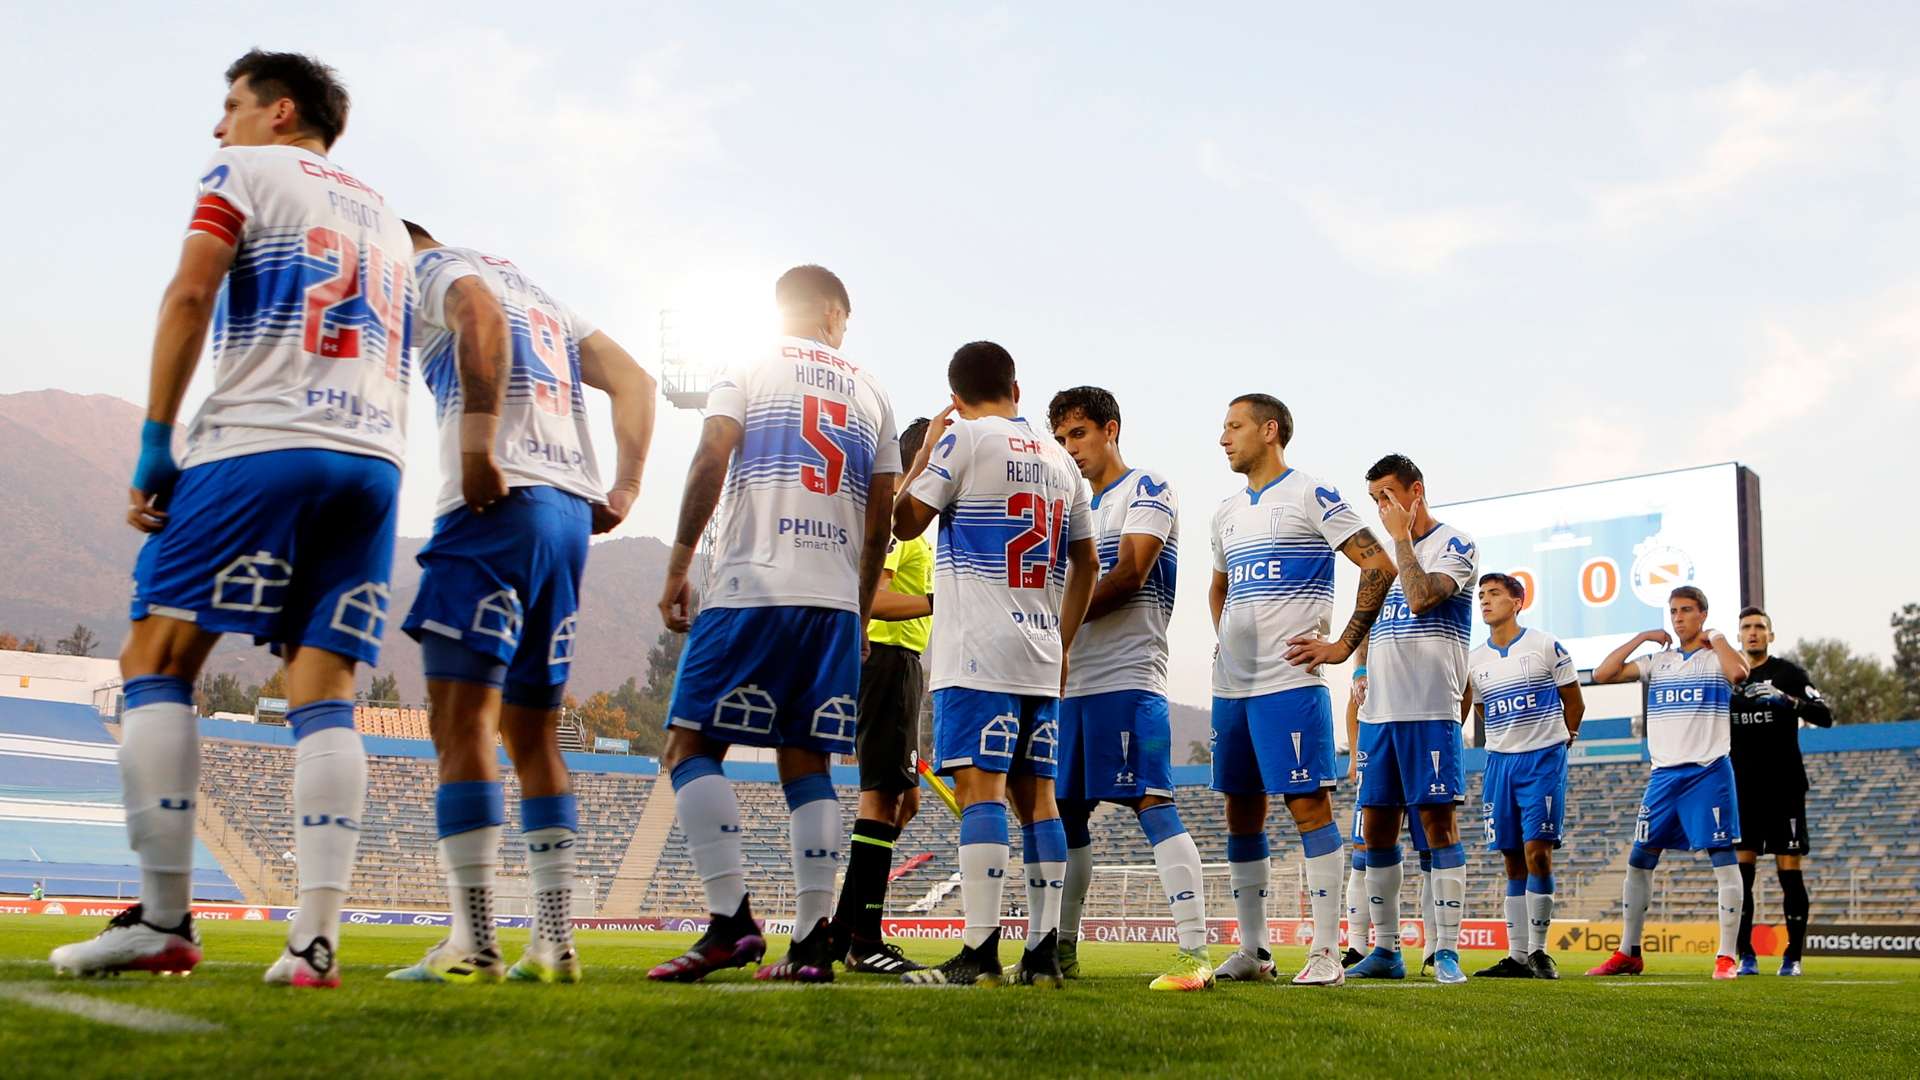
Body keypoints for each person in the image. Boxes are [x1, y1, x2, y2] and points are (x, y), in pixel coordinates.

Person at [52, 51, 413, 987]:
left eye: (231, 106)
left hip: (261, 442)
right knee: (325, 690)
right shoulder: (384, 214)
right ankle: (314, 945)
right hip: (374, 463)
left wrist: (154, 439)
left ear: (279, 111)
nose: (219, 126)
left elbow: (190, 292)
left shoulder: (245, 171)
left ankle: (165, 920)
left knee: (158, 660)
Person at [386, 223, 655, 984]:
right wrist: (627, 485)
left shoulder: (428, 268)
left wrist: (477, 448)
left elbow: (474, 313)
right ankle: (555, 942)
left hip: (495, 504)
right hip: (569, 515)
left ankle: (471, 942)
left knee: (461, 721)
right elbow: (636, 380)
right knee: (532, 734)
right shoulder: (543, 294)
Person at [645, 266, 899, 984]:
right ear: (831, 311)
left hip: (752, 585)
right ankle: (811, 947)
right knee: (806, 760)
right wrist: (859, 604)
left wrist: (679, 563)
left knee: (690, 744)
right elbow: (881, 512)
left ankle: (731, 922)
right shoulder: (873, 389)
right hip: (832, 601)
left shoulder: (750, 364)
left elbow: (712, 452)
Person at [894, 342, 1097, 987]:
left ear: (955, 396)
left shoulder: (965, 442)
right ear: (1016, 385)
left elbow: (904, 522)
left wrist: (926, 449)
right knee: (1039, 800)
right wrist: (1062, 641)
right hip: (1040, 652)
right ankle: (1041, 955)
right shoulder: (1063, 461)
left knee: (980, 789)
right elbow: (1087, 563)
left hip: (977, 650)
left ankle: (979, 953)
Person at [1209, 395, 1398, 987]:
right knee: (1241, 811)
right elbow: (1219, 587)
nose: (1223, 438)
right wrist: (1228, 639)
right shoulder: (1227, 512)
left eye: (1233, 427)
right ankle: (1255, 950)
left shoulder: (1311, 493)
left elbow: (1379, 565)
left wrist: (1342, 645)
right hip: (1231, 686)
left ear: (1270, 431)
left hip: (1289, 681)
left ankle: (1323, 952)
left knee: (1308, 808)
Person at [1048, 386, 1212, 992]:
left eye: (1080, 434)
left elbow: (1128, 575)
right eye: (1062, 439)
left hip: (1128, 675)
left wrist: (1048, 624)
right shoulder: (1068, 508)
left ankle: (1195, 953)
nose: (1071, 449)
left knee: (1151, 803)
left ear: (1111, 429)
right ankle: (1060, 950)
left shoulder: (1147, 488)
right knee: (1065, 816)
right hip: (1069, 685)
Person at [1346, 454, 1478, 985]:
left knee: (1437, 825)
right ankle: (1385, 949)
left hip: (1429, 712)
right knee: (1375, 829)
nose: (1382, 508)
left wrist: (1400, 538)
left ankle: (1444, 950)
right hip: (1381, 716)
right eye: (1376, 499)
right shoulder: (1379, 560)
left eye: (1389, 496)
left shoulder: (1455, 544)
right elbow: (1366, 626)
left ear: (1415, 491)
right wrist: (1351, 663)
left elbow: (1422, 599)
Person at [1586, 586, 1751, 980]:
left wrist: (1722, 638)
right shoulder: (1658, 661)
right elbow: (1603, 673)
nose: (1678, 618)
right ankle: (1629, 952)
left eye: (1687, 610)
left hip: (1708, 771)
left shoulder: (1715, 657)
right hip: (1663, 775)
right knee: (1639, 859)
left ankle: (1726, 956)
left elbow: (1739, 673)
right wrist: (1641, 638)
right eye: (1674, 611)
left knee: (1723, 859)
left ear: (1702, 614)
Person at [826, 416, 935, 975]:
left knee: (905, 801)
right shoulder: (897, 521)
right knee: (881, 798)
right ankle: (862, 935)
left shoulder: (908, 524)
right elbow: (874, 601)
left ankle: (846, 925)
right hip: (887, 660)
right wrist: (944, 601)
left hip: (903, 665)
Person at [1463, 572, 1584, 979]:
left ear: (1518, 601)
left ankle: (1539, 950)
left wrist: (1563, 737)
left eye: (1494, 594)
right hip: (1500, 762)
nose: (1485, 601)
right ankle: (1516, 957)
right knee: (1512, 858)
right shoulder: (1474, 659)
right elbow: (1480, 710)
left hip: (1542, 759)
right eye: (1481, 595)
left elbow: (1574, 700)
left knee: (1538, 852)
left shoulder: (1544, 645)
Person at [1730, 606, 1832, 976]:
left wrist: (1788, 701)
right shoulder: (1729, 677)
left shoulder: (1788, 673)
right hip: (1742, 790)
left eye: (1760, 627)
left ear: (1770, 635)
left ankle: (1793, 956)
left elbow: (1825, 714)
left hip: (1785, 787)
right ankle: (1746, 956)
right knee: (1741, 875)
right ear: (1738, 635)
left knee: (1789, 872)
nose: (1753, 632)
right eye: (1747, 627)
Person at [1341, 694, 1432, 967]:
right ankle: (1357, 945)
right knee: (1362, 852)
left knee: (1432, 852)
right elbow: (1354, 703)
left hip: (1420, 752)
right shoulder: (1371, 661)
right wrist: (1356, 756)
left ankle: (1435, 949)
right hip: (1379, 756)